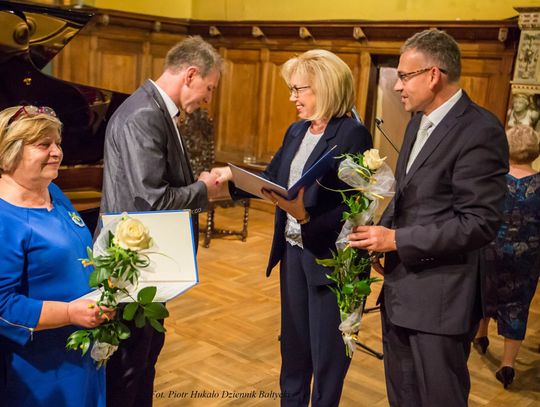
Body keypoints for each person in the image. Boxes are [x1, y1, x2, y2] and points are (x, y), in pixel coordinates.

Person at [347, 29, 509, 406]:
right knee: (402, 398)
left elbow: (479, 223)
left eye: (405, 76)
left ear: (433, 75)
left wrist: (397, 240)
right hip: (402, 291)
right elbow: (410, 197)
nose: (399, 86)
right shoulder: (419, 121)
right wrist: (378, 232)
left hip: (442, 301)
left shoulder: (480, 130)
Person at [213, 49, 372, 406]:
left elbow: (353, 207)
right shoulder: (297, 129)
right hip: (294, 252)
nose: (292, 98)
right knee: (294, 346)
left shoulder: (352, 135)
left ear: (324, 88)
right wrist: (231, 177)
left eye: (299, 89)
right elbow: (272, 179)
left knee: (327, 354)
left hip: (331, 261)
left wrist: (303, 217)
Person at [100, 36, 223, 407]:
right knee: (129, 367)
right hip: (132, 266)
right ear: (190, 74)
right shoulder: (145, 115)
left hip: (145, 263)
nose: (207, 99)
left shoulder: (154, 110)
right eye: (208, 88)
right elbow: (151, 201)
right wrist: (203, 189)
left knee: (145, 357)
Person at [0, 105, 114, 406]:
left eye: (58, 143)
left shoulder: (52, 192)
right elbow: (3, 306)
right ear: (10, 150)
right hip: (42, 369)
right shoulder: (4, 218)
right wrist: (69, 313)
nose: (57, 152)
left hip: (80, 352)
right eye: (44, 144)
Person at [473, 125, 540, 388]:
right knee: (518, 305)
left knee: (484, 293)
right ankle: (508, 364)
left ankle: (480, 335)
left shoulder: (493, 180)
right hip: (527, 258)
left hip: (489, 250)